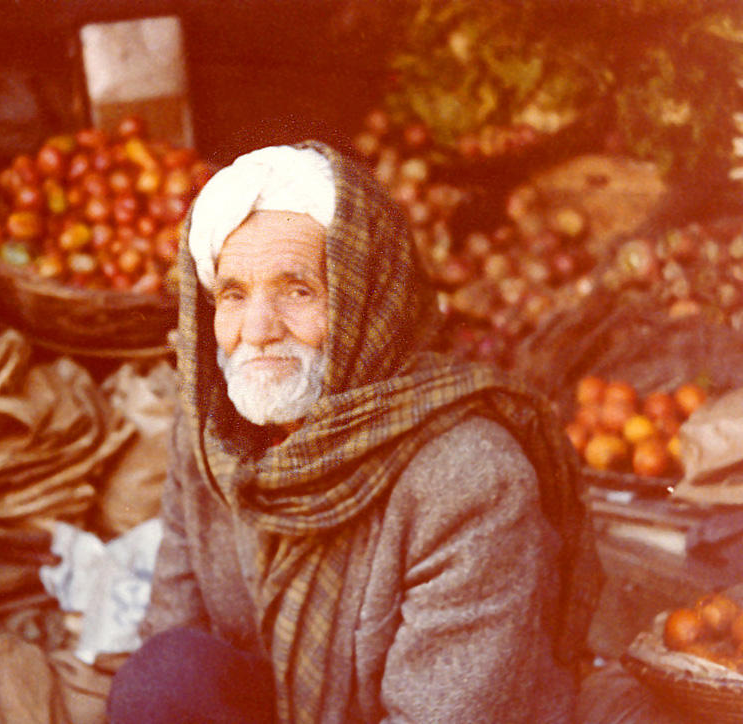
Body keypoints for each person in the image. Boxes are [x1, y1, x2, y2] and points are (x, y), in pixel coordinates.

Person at [107, 141, 603, 723]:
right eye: (235, 295)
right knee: (165, 677)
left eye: (297, 290)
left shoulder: (469, 477)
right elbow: (173, 628)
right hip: (281, 708)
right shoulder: (211, 441)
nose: (259, 330)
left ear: (364, 304)